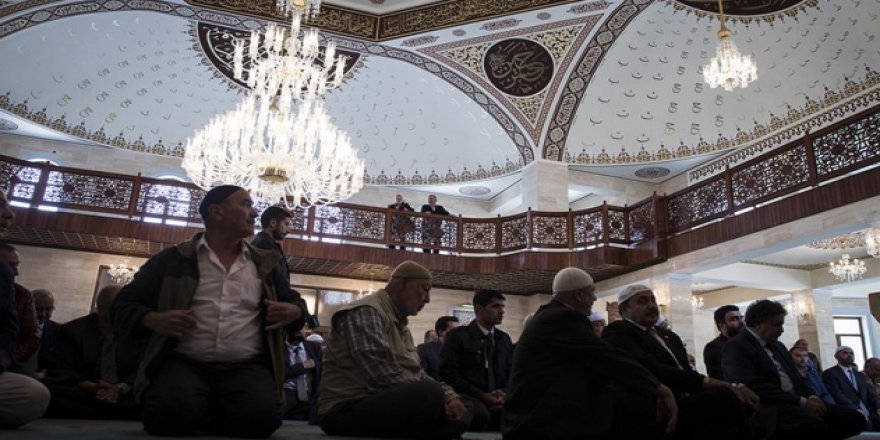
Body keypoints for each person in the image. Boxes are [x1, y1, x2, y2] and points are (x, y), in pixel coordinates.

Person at [111, 185, 308, 438]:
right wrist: (152, 319)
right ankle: (203, 407)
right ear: (216, 211)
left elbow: (298, 306)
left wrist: (293, 311)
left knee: (261, 420)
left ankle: (208, 409)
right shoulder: (173, 259)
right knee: (167, 417)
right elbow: (122, 305)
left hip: (246, 366)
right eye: (246, 204)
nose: (254, 212)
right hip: (184, 362)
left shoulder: (265, 264)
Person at [502, 267, 678, 440]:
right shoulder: (562, 318)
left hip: (532, 415)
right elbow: (608, 358)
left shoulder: (549, 316)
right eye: (591, 292)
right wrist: (660, 389)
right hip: (538, 422)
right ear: (579, 294)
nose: (594, 298)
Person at [318, 261, 471, 439]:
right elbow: (383, 377)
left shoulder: (400, 325)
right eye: (424, 289)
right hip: (345, 409)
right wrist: (439, 397)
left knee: (465, 404)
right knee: (429, 394)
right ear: (402, 283)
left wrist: (450, 397)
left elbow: (417, 373)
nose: (427, 299)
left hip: (382, 400)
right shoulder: (366, 312)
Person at [602, 284, 755, 440]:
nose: (651, 306)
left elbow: (685, 370)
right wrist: (711, 382)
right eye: (642, 301)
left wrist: (731, 385)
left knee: (740, 396)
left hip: (686, 396)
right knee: (723, 397)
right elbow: (652, 368)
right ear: (624, 310)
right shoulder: (619, 332)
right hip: (656, 403)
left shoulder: (669, 336)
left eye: (652, 300)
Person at [722, 299, 864, 440]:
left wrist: (812, 396)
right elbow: (754, 387)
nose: (781, 330)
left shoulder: (779, 346)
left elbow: (798, 376)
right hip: (770, 407)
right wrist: (802, 402)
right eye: (777, 325)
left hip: (798, 401)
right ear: (759, 324)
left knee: (854, 419)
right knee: (813, 426)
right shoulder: (736, 347)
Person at [43, 285, 145, 419]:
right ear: (101, 310)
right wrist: (92, 387)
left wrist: (120, 388)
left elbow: (144, 366)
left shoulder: (138, 332)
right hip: (86, 390)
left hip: (125, 390)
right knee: (49, 390)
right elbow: (60, 368)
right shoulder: (73, 330)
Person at [0, 188, 50, 428]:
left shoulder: (12, 286)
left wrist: (3, 361)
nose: (10, 214)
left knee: (33, 395)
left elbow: (14, 333)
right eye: (1, 205)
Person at [440, 290, 513, 431]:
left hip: (498, 397)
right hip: (470, 395)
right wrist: (482, 395)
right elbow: (448, 374)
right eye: (495, 306)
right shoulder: (458, 336)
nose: (501, 311)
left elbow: (511, 372)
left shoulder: (503, 339)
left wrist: (503, 393)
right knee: (480, 414)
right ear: (479, 309)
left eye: (503, 307)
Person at [0, 243, 39, 375]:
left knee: (37, 392)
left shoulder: (22, 295)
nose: (16, 272)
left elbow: (31, 339)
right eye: (11, 265)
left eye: (17, 265)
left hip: (6, 364)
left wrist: (6, 361)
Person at [823, 346, 880, 430]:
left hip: (866, 409)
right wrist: (856, 409)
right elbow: (837, 394)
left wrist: (879, 406)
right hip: (848, 410)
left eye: (851, 353)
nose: (849, 355)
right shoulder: (830, 373)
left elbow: (869, 394)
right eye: (845, 353)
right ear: (836, 356)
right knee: (867, 425)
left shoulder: (859, 375)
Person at [282, 331, 322, 424]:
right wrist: (302, 366)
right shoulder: (278, 348)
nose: (298, 331)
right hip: (287, 396)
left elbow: (321, 372)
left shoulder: (314, 347)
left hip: (310, 398)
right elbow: (277, 374)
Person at [250, 206, 292, 288]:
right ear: (273, 223)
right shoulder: (264, 245)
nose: (288, 230)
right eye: (286, 224)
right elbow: (275, 281)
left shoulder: (263, 242)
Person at [704, 305, 743, 380]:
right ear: (722, 325)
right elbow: (722, 379)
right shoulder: (713, 348)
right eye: (734, 319)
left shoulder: (747, 343)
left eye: (741, 318)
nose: (741, 322)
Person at [418, 315, 459, 381]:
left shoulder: (461, 350)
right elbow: (421, 376)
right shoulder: (425, 350)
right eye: (454, 330)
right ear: (441, 332)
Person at [32, 289, 60, 378]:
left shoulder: (59, 331)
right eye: (39, 309)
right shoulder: (14, 327)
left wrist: (47, 373)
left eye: (48, 309)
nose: (43, 314)